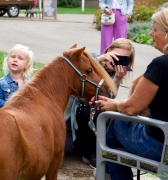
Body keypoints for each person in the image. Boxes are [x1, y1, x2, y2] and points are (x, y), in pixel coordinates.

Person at [91, 4, 168, 179]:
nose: (150, 33)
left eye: (154, 30)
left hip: (159, 146)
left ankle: (110, 175)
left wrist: (114, 104)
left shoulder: (160, 64)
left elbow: (131, 108)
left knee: (112, 123)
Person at [64, 38, 135, 168]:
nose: (116, 62)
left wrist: (117, 79)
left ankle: (90, 151)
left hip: (87, 118)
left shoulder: (116, 75)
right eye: (116, 56)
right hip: (69, 116)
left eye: (123, 59)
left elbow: (104, 100)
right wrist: (97, 61)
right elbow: (70, 70)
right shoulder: (91, 58)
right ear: (108, 51)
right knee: (62, 149)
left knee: (100, 108)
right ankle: (79, 147)